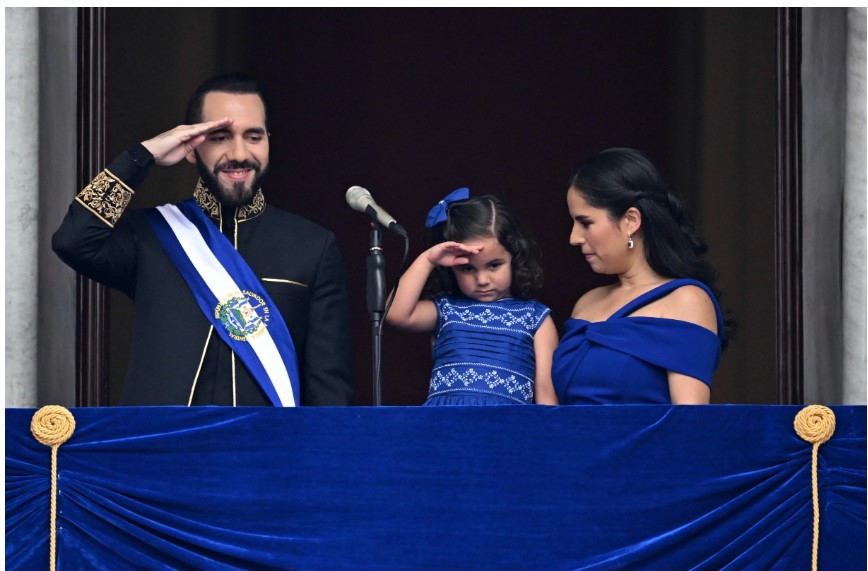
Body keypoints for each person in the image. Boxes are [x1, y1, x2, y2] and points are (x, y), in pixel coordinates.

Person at [52, 73, 353, 407]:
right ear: (191, 148)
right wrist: (143, 156)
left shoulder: (312, 245)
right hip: (166, 452)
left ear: (269, 141)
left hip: (268, 454)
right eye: (220, 137)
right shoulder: (152, 235)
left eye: (253, 137)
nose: (239, 153)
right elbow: (73, 240)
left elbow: (330, 392)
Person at [552, 148, 729, 405]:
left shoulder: (687, 300)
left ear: (630, 221)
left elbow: (690, 425)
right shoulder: (586, 303)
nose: (574, 238)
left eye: (586, 222)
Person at [386, 190, 559, 405]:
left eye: (494, 265)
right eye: (468, 269)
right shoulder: (447, 310)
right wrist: (428, 259)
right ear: (451, 269)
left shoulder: (535, 317)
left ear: (514, 256)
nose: (482, 279)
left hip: (507, 430)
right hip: (443, 428)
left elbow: (546, 393)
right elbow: (394, 312)